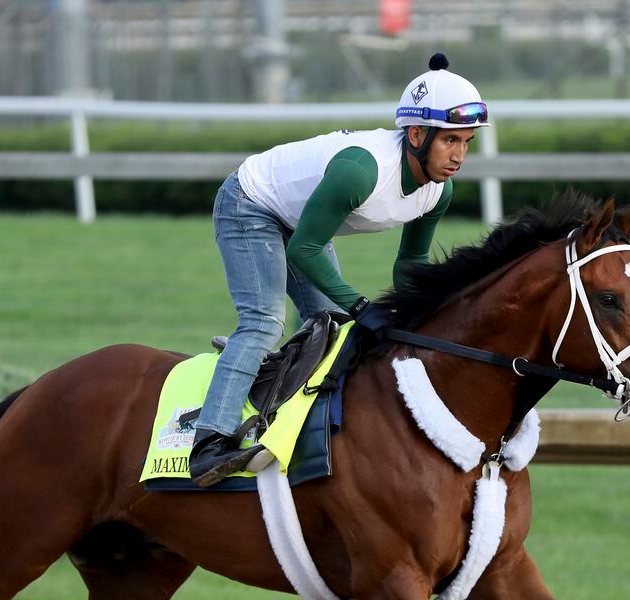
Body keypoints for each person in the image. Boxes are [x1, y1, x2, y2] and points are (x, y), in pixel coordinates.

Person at [188, 52, 491, 487]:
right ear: (417, 134)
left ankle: (284, 418)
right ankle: (209, 444)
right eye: (451, 141)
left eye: (466, 142)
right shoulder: (360, 172)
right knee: (262, 322)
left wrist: (414, 318)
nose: (459, 155)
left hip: (303, 222)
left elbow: (411, 263)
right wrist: (363, 304)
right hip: (250, 204)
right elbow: (305, 249)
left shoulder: (437, 192)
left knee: (330, 327)